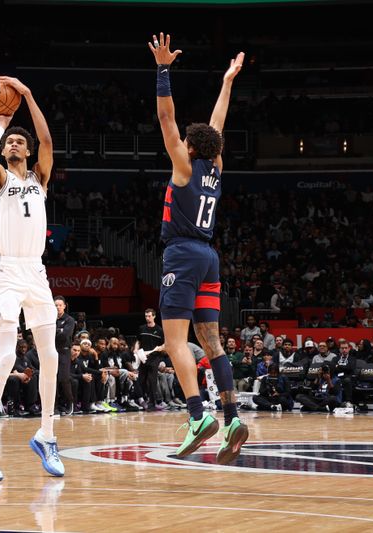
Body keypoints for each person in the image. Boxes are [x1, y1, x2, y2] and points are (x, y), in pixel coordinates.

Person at [150, 32, 247, 464]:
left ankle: (197, 416)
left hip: (183, 254)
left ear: (190, 147)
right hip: (210, 256)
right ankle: (230, 418)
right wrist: (227, 83)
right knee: (213, 342)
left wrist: (163, 70)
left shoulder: (185, 165)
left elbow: (167, 119)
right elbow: (218, 125)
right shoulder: (217, 167)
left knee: (175, 342)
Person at [0, 74, 64, 481]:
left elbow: (47, 139)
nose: (14, 145)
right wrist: (3, 124)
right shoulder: (0, 180)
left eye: (19, 142)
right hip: (6, 271)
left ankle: (46, 434)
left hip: (36, 271)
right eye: (10, 143)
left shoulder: (40, 178)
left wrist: (27, 94)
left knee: (52, 357)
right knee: (5, 356)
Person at [54, 295, 76, 416]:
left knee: (64, 378)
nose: (57, 307)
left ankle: (70, 403)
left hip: (64, 351)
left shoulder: (69, 320)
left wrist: (56, 331)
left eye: (59, 305)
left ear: (64, 306)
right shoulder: (50, 319)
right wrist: (59, 331)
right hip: (52, 350)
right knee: (53, 379)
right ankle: (55, 407)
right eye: (55, 305)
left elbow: (65, 334)